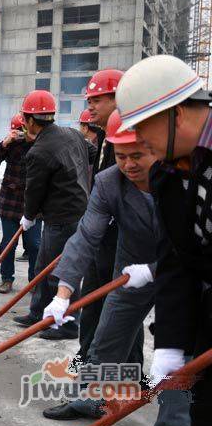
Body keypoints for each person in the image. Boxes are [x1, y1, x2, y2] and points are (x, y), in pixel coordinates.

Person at [40, 110, 191, 426]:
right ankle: (89, 399)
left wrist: (154, 270)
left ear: (157, 147)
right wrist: (63, 293)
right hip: (129, 272)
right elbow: (85, 236)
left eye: (137, 155)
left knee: (176, 358)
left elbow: (195, 248)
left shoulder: (185, 179)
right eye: (121, 155)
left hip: (182, 276)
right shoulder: (109, 182)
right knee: (106, 339)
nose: (129, 165)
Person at [115, 55, 212, 426]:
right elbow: (176, 261)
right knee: (207, 421)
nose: (138, 138)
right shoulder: (167, 175)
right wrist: (170, 345)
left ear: (175, 114)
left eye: (142, 125)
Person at [11, 90, 91, 341]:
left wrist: (28, 216)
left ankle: (67, 325)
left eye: (25, 118)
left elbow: (33, 190)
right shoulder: (73, 134)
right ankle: (38, 314)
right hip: (78, 211)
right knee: (43, 266)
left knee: (62, 271)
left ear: (30, 120)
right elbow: (91, 155)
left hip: (62, 218)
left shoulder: (39, 151)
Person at [77, 69, 124, 364]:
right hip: (100, 238)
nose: (90, 105)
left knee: (116, 311)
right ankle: (87, 362)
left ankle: (114, 381)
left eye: (97, 99)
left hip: (121, 242)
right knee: (92, 303)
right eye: (89, 99)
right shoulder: (105, 137)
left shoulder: (127, 138)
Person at [0, 113, 41, 293]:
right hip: (10, 201)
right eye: (17, 130)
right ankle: (6, 278)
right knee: (8, 243)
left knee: (34, 244)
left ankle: (34, 280)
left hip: (34, 202)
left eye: (23, 130)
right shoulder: (9, 144)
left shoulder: (41, 143)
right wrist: (4, 143)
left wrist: (33, 139)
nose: (20, 134)